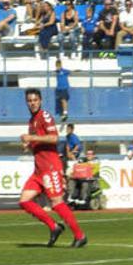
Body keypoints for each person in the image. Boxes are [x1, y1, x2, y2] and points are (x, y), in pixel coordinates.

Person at [18, 88, 87, 248]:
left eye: (35, 100)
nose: (32, 103)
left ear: (40, 101)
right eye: (29, 100)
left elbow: (54, 138)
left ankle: (80, 235)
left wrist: (32, 137)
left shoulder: (45, 116)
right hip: (39, 170)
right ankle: (54, 226)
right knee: (25, 201)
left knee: (56, 202)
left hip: (50, 167)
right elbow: (38, 142)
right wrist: (28, 145)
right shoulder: (32, 120)